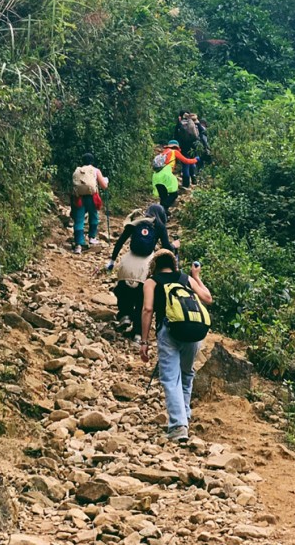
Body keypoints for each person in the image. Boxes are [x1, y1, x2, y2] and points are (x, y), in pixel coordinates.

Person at [140, 250, 213, 442]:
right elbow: (207, 298)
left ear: (154, 265)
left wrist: (144, 342)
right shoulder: (185, 278)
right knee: (187, 373)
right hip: (193, 330)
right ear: (173, 264)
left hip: (169, 331)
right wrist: (197, 277)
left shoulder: (152, 282)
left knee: (171, 378)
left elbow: (148, 309)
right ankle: (185, 415)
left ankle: (178, 426)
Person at [104, 204, 179, 339]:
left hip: (127, 263)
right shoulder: (160, 226)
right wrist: (175, 246)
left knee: (123, 289)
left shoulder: (137, 222)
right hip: (145, 266)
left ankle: (125, 315)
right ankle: (138, 333)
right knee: (141, 299)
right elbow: (167, 248)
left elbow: (120, 242)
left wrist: (112, 261)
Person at [70, 153, 109, 255]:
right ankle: (92, 237)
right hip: (92, 197)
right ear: (92, 161)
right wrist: (106, 181)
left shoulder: (78, 171)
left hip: (79, 198)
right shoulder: (95, 170)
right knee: (94, 216)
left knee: (79, 220)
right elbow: (104, 186)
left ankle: (78, 245)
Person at [152, 140, 197, 211]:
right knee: (173, 194)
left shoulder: (163, 153)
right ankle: (163, 208)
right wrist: (196, 159)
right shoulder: (174, 152)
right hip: (166, 174)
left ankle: (163, 213)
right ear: (176, 147)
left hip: (156, 176)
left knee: (163, 196)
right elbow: (186, 161)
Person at [174, 113, 200, 188]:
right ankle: (194, 178)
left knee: (185, 164)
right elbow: (198, 135)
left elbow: (176, 136)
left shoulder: (180, 124)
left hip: (184, 146)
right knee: (193, 161)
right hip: (193, 146)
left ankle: (186, 183)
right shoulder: (193, 123)